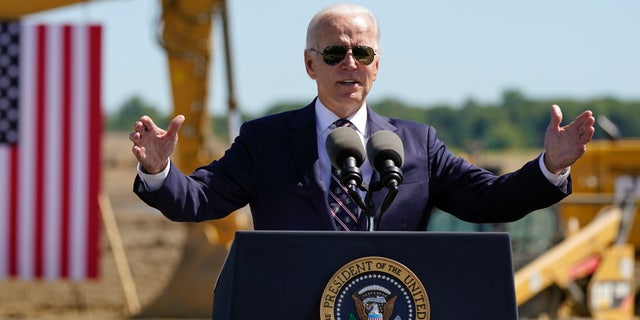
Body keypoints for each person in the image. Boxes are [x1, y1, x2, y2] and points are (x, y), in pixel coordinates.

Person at [130, 3, 595, 231]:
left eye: (362, 52)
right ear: (310, 64)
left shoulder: (417, 143)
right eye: (334, 52)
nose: (349, 63)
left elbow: (490, 201)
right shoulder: (265, 140)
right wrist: (158, 170)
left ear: (377, 64)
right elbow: (199, 201)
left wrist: (551, 166)